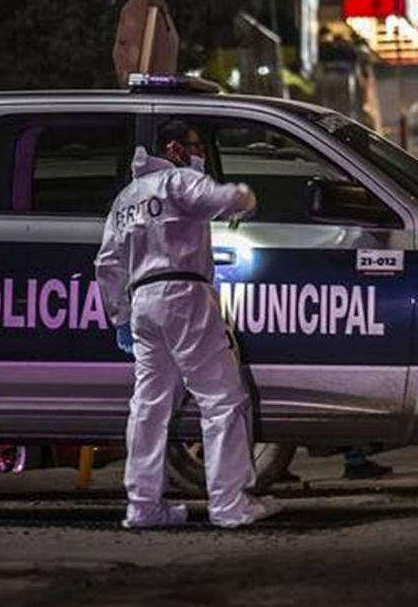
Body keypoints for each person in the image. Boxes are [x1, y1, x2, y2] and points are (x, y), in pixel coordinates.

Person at [95, 121, 281, 529]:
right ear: (175, 148)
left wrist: (120, 317)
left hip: (143, 303)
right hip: (184, 297)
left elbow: (106, 264)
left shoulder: (126, 198)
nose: (200, 156)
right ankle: (230, 504)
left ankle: (143, 507)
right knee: (222, 400)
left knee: (149, 407)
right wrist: (246, 197)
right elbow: (223, 198)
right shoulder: (176, 180)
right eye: (196, 147)